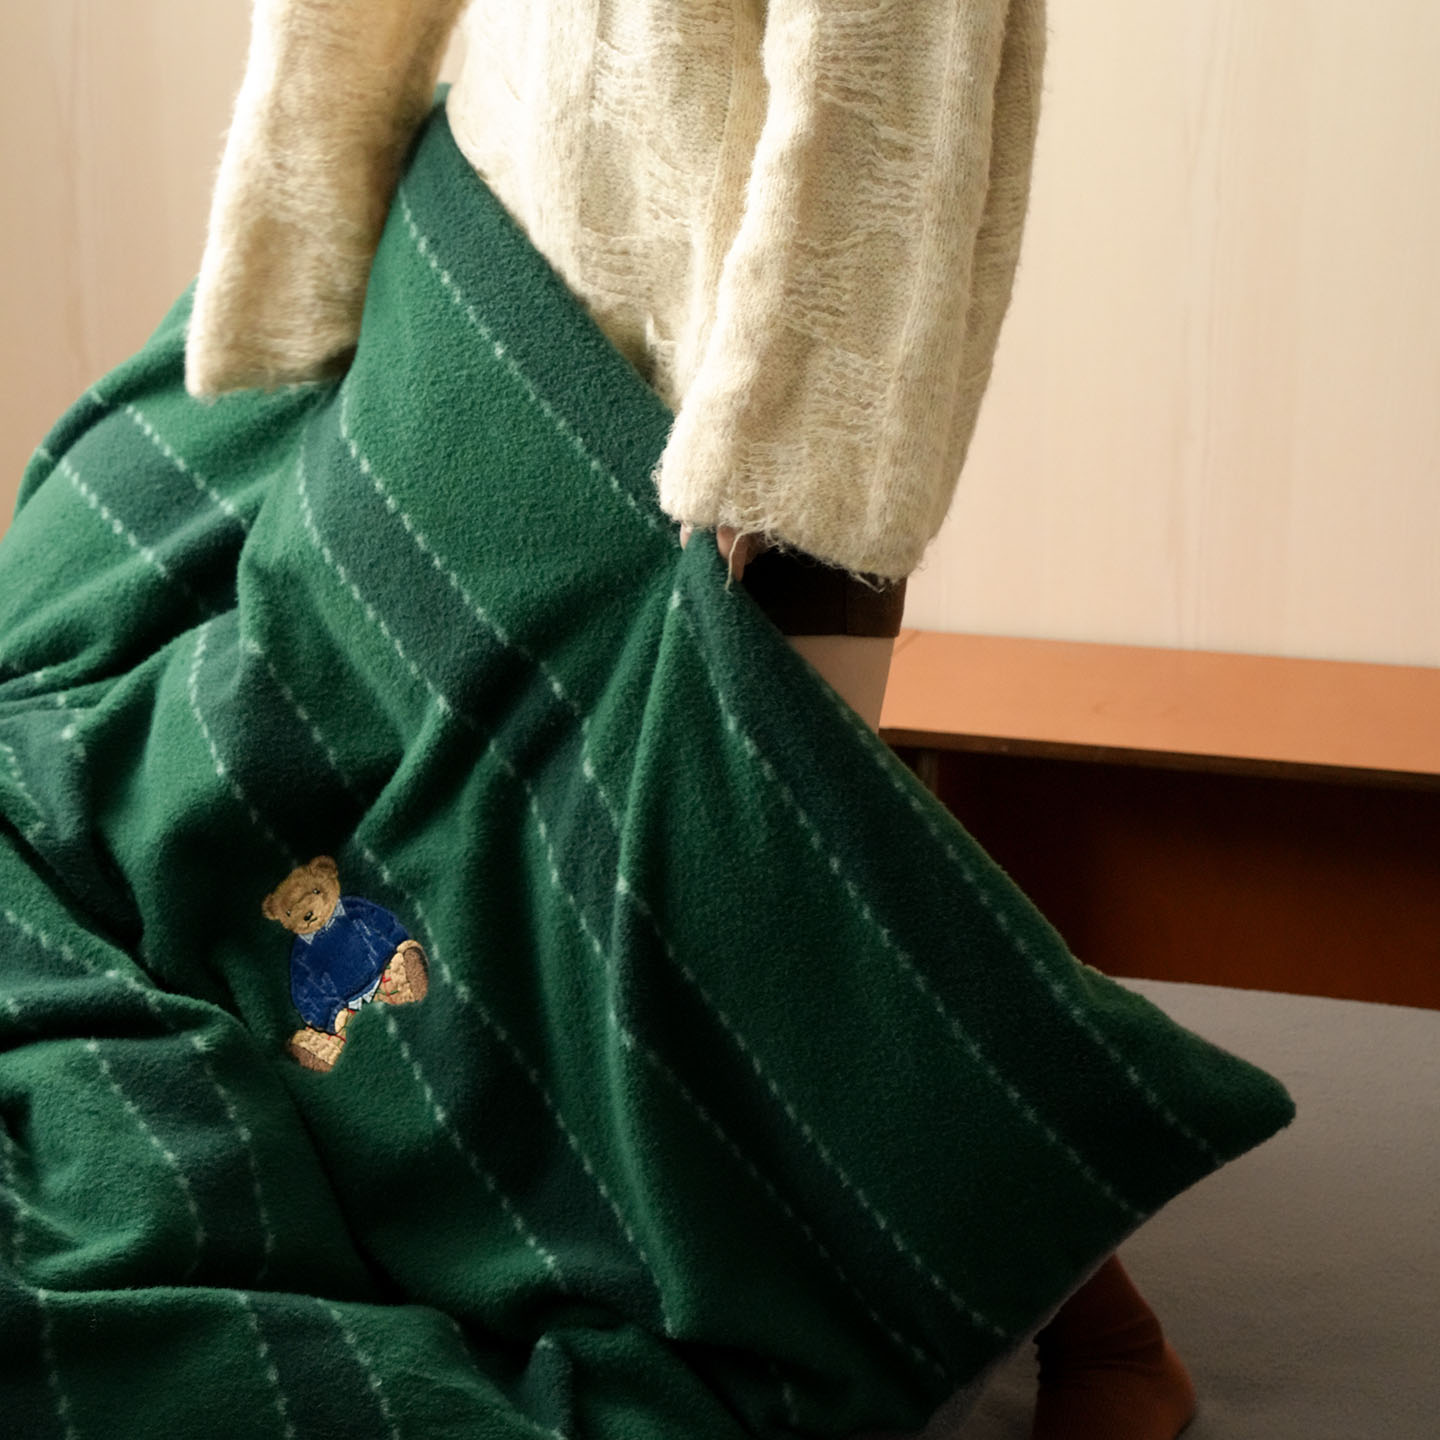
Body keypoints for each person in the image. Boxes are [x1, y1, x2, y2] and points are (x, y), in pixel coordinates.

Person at [186, 2, 1199, 1434]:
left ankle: (1110, 1333)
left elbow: (894, 67)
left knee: (757, 890)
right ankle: (490, 1218)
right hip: (485, 265)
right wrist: (297, 286)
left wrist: (780, 467)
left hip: (736, 383)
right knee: (435, 844)